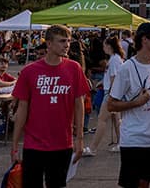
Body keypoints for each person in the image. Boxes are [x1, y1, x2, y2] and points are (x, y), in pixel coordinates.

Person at [11, 25, 91, 188]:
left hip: (62, 143)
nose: (66, 45)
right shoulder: (30, 71)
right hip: (34, 144)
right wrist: (14, 146)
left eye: (68, 41)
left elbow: (79, 104)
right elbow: (22, 109)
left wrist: (80, 139)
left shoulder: (74, 68)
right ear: (48, 44)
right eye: (62, 41)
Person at [107, 23, 150, 188]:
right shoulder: (127, 68)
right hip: (134, 139)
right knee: (133, 184)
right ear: (144, 39)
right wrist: (135, 103)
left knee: (145, 183)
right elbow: (111, 104)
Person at [84, 36, 125, 156]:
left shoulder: (114, 60)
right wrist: (103, 82)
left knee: (102, 120)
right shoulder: (115, 59)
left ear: (109, 46)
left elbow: (114, 79)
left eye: (104, 45)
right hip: (112, 93)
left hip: (111, 94)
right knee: (116, 120)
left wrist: (111, 96)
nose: (103, 48)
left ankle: (93, 148)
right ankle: (121, 143)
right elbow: (112, 77)